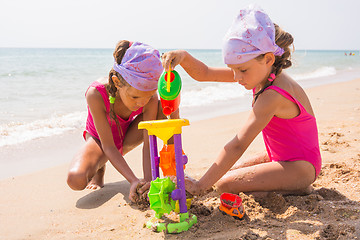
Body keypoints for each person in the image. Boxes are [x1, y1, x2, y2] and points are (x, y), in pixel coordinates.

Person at [161, 5, 321, 196]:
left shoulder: (273, 94)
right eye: (232, 69)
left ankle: (296, 189)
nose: (236, 77)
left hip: (301, 168)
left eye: (242, 70)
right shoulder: (259, 73)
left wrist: (200, 186)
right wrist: (183, 57)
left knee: (225, 185)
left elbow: (238, 144)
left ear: (269, 58)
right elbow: (205, 73)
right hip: (281, 157)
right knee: (224, 176)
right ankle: (285, 185)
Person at [67, 40, 164, 202]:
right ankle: (100, 167)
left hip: (127, 136)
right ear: (118, 82)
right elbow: (109, 146)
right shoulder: (96, 93)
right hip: (101, 141)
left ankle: (103, 162)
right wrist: (133, 180)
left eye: (148, 96)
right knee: (75, 179)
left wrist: (149, 183)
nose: (142, 102)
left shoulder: (149, 98)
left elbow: (149, 144)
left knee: (161, 108)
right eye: (135, 97)